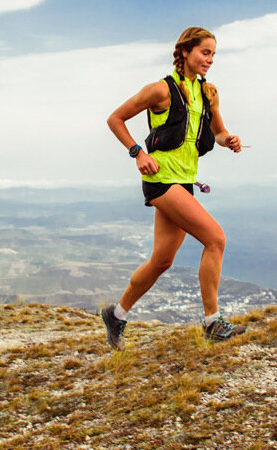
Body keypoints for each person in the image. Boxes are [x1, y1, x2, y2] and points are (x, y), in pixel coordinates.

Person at [101, 26, 247, 350]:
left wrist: (229, 141)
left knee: (161, 261)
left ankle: (116, 314)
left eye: (213, 54)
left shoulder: (209, 93)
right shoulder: (160, 91)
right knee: (216, 238)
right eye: (204, 52)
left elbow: (218, 132)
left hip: (183, 181)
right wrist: (137, 152)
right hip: (161, 180)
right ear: (184, 52)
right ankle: (212, 322)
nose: (210, 59)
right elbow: (115, 119)